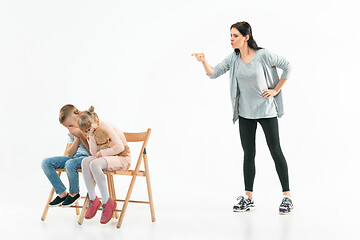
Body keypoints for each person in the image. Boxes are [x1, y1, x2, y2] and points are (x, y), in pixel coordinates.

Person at [191, 21, 293, 214]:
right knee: (249, 155)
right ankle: (248, 198)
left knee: (276, 151)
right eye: (230, 35)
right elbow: (213, 73)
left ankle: (287, 197)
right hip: (245, 114)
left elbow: (288, 66)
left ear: (246, 37)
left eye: (235, 35)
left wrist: (276, 90)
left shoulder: (263, 55)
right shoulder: (234, 58)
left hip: (266, 112)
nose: (231, 39)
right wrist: (203, 61)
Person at [79, 106, 131, 224]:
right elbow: (93, 153)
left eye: (88, 130)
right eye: (85, 131)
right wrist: (91, 136)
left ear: (96, 121)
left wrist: (102, 153)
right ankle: (93, 200)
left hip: (122, 157)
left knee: (95, 164)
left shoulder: (106, 126)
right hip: (106, 158)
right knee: (85, 161)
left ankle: (107, 202)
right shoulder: (91, 133)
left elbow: (120, 147)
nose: (87, 132)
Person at [41, 104, 90, 207]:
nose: (69, 128)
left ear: (78, 116)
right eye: (67, 127)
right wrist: (76, 137)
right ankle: (62, 193)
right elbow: (70, 154)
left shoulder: (89, 126)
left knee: (69, 163)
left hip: (88, 158)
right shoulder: (72, 133)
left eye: (70, 125)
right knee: (46, 163)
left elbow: (93, 151)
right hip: (73, 158)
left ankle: (74, 193)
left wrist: (81, 134)